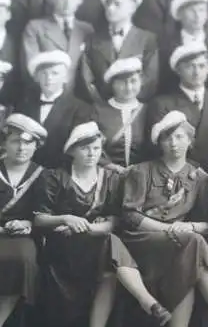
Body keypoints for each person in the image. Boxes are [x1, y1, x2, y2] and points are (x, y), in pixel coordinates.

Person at [34, 122, 171, 327]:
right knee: (110, 251)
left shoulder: (110, 178)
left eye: (96, 148)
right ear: (71, 151)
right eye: (85, 148)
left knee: (110, 249)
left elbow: (114, 221)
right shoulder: (54, 177)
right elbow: (39, 218)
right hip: (62, 247)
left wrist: (88, 227)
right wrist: (66, 219)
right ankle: (147, 301)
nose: (92, 154)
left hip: (97, 244)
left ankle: (146, 303)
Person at [121, 111, 208, 327]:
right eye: (167, 138)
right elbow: (130, 216)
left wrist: (189, 226)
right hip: (141, 241)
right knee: (194, 243)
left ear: (189, 140)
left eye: (179, 137)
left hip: (179, 243)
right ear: (160, 143)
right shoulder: (142, 171)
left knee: (191, 249)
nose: (173, 143)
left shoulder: (199, 178)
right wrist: (167, 229)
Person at [149, 43, 208, 173]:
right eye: (190, 66)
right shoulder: (162, 104)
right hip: (180, 176)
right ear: (178, 70)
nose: (197, 72)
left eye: (202, 66)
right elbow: (159, 149)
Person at [0, 114, 47, 327]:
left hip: (21, 237)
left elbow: (44, 213)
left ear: (36, 146)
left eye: (28, 143)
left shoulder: (42, 175)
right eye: (15, 141)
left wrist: (28, 224)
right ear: (4, 143)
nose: (21, 148)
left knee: (23, 259)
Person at [78, 0, 159, 104]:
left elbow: (150, 79)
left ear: (132, 7)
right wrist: (101, 105)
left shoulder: (147, 39)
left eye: (117, 4)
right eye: (108, 4)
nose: (110, 8)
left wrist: (131, 103)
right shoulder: (92, 40)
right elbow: (87, 79)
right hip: (101, 109)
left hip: (137, 110)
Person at [19, 50, 92, 169]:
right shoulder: (24, 106)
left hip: (62, 173)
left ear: (65, 78)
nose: (49, 78)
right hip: (27, 172)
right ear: (36, 77)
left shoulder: (81, 108)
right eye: (44, 73)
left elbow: (78, 148)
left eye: (55, 73)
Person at [23, 0, 94, 92]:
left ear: (80, 0)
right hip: (46, 93)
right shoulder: (35, 27)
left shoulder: (86, 30)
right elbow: (33, 67)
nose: (67, 1)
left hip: (80, 96)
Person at [94, 57, 150, 172]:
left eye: (133, 81)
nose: (128, 87)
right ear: (112, 84)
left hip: (142, 176)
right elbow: (91, 146)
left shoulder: (148, 110)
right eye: (122, 82)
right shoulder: (98, 111)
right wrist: (111, 166)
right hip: (106, 175)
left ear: (141, 81)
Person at [158, 0, 208, 94]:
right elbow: (164, 82)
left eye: (201, 10)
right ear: (179, 14)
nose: (197, 15)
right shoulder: (166, 46)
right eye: (191, 11)